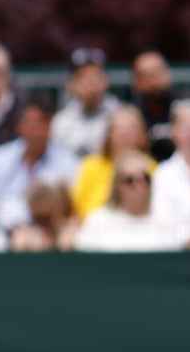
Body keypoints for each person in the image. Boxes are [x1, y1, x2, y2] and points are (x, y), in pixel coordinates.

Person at [0, 98, 79, 229]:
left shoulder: (68, 162)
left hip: (51, 233)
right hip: (1, 234)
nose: (36, 131)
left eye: (42, 124)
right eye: (31, 124)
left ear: (50, 127)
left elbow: (72, 209)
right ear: (20, 126)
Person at [75, 150, 185, 252]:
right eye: (130, 180)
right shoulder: (98, 220)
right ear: (117, 185)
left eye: (146, 178)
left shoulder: (169, 218)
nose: (140, 186)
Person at [70, 106, 155, 221]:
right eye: (119, 129)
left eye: (131, 129)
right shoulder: (91, 166)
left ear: (142, 135)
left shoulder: (151, 168)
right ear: (109, 134)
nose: (125, 135)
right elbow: (75, 210)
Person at [51, 47, 121, 158]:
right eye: (83, 77)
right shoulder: (61, 121)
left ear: (106, 80)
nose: (91, 83)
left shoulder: (120, 115)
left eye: (96, 76)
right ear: (71, 84)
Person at [131, 50, 179, 160]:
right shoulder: (131, 115)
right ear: (135, 81)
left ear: (168, 73)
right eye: (145, 75)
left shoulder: (184, 109)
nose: (153, 81)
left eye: (157, 72)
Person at [151, 101, 190, 234]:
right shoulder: (163, 175)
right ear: (174, 132)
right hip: (180, 253)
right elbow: (163, 226)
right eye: (187, 128)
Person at [9, 182, 78, 252]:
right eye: (39, 219)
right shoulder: (26, 233)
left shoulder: (72, 228)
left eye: (46, 218)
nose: (44, 224)